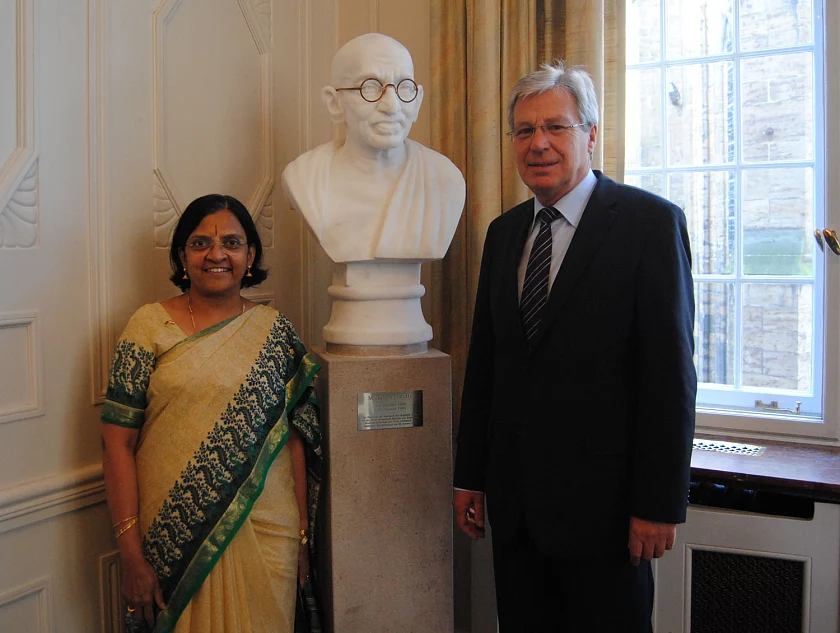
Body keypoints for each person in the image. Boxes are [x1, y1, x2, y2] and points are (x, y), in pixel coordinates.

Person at [452, 61, 697, 632]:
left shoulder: (649, 225)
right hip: (517, 518)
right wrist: (471, 475)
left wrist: (659, 504)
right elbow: (487, 365)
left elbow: (669, 381)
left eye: (555, 127)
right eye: (523, 130)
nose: (538, 144)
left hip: (609, 520)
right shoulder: (503, 233)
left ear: (590, 134)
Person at [101, 194, 321, 633]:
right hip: (176, 534)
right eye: (201, 243)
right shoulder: (147, 326)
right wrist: (130, 555)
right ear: (182, 255)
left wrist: (301, 541)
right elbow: (116, 443)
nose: (217, 254)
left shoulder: (274, 331)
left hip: (266, 533)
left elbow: (294, 439)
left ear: (250, 255)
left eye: (232, 244)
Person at [281, 32, 465, 263]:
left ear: (417, 100)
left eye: (404, 87)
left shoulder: (444, 178)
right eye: (370, 87)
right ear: (334, 102)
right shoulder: (304, 177)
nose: (391, 105)